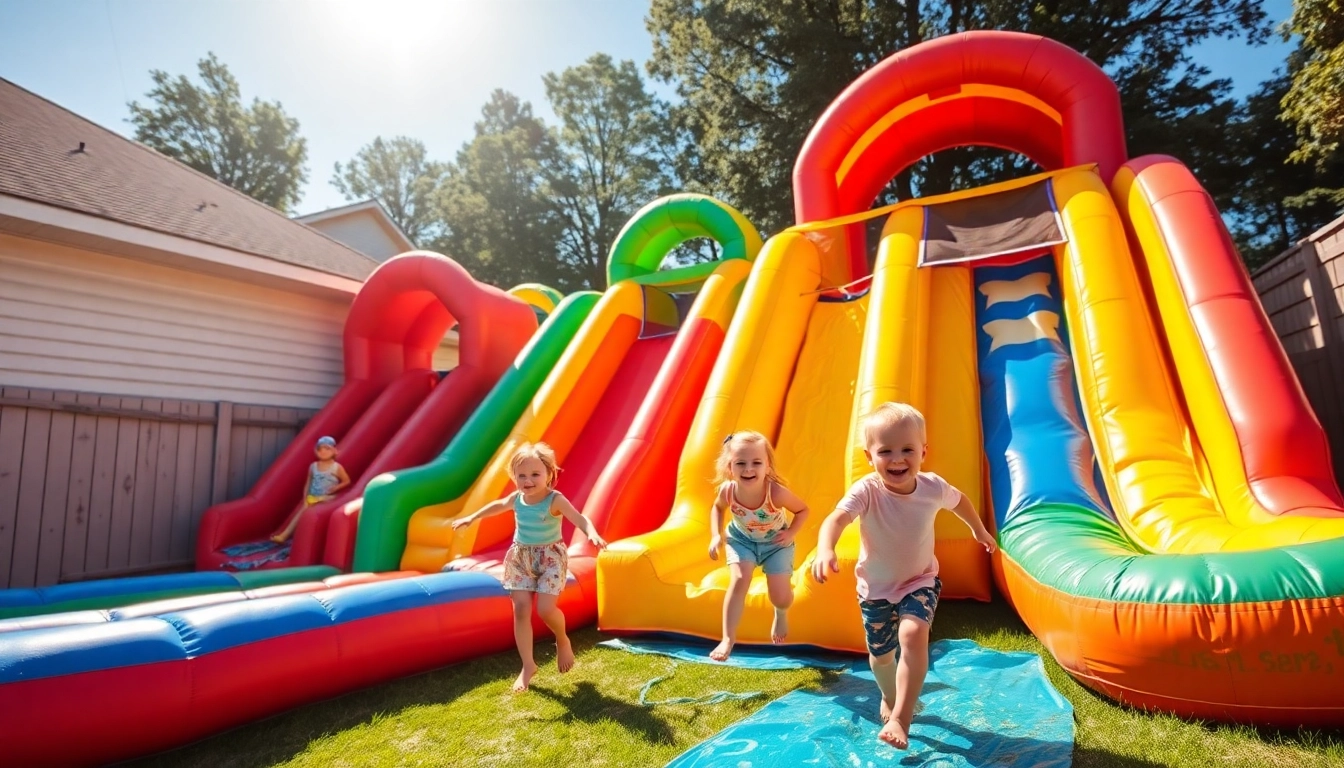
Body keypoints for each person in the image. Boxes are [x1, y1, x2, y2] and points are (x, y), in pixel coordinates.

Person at [811, 402, 997, 750]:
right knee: (881, 657)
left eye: (907, 449)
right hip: (876, 589)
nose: (898, 459)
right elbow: (835, 519)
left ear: (923, 452)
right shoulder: (867, 490)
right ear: (869, 456)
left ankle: (901, 717)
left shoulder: (932, 487)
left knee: (913, 634)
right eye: (886, 451)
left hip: (919, 580)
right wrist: (826, 548)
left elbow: (960, 502)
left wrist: (979, 530)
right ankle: (889, 695)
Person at [451, 441, 607, 693]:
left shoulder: (554, 500)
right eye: (521, 475)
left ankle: (562, 639)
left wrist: (592, 533)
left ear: (549, 473)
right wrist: (472, 517)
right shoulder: (518, 499)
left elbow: (579, 517)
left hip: (550, 558)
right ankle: (527, 665)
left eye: (535, 474)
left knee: (546, 609)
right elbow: (498, 506)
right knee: (521, 609)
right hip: (521, 557)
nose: (528, 480)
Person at [707, 431, 810, 661]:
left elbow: (803, 510)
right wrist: (716, 535)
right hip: (741, 540)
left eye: (756, 463)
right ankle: (727, 638)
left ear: (768, 466)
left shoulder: (775, 492)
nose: (748, 469)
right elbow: (717, 508)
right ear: (729, 467)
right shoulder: (727, 491)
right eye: (740, 463)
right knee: (740, 579)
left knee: (780, 596)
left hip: (776, 545)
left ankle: (781, 612)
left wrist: (791, 533)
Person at [271, 436, 350, 544]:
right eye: (319, 449)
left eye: (327, 449)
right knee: (303, 510)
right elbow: (308, 482)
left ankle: (286, 535)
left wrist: (335, 487)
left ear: (334, 451)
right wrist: (305, 496)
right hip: (313, 497)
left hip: (327, 497)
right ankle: (285, 536)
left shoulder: (337, 467)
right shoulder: (313, 466)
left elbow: (346, 481)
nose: (323, 451)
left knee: (307, 510)